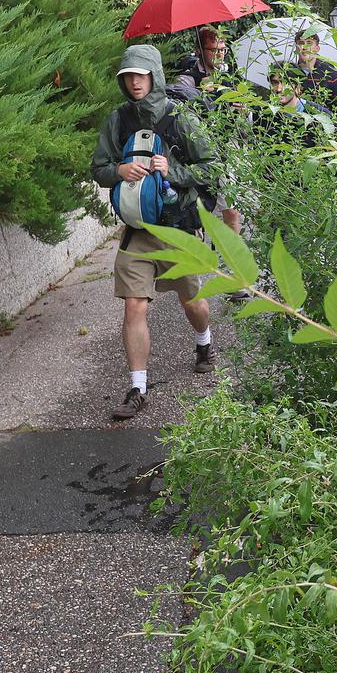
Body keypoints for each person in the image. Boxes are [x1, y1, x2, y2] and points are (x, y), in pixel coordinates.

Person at [91, 43, 221, 421]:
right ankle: (137, 387)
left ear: (154, 76)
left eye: (141, 75)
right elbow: (98, 168)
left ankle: (203, 342)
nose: (134, 82)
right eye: (128, 76)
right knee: (134, 304)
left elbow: (212, 167)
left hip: (177, 229)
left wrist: (173, 171)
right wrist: (119, 171)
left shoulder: (180, 118)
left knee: (192, 302)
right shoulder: (117, 121)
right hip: (137, 232)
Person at [169, 24, 244, 237]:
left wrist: (241, 110)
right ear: (200, 50)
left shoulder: (231, 77)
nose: (220, 54)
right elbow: (180, 117)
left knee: (231, 208)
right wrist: (201, 96)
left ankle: (237, 258)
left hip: (226, 148)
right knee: (197, 205)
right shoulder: (187, 79)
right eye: (214, 49)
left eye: (223, 49)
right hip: (196, 151)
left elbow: (244, 121)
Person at [293, 29, 337, 120]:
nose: (304, 47)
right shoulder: (289, 73)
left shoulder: (332, 75)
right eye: (301, 43)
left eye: (309, 43)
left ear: (317, 48)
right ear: (296, 47)